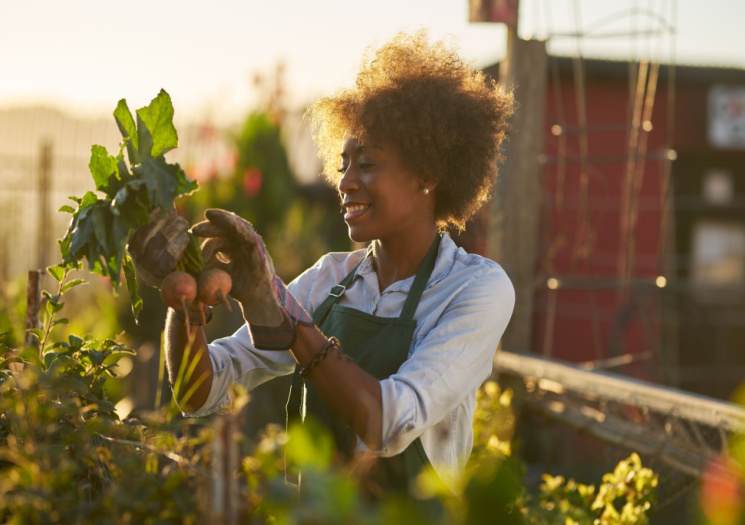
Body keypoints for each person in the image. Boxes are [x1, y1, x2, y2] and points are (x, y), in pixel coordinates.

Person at [128, 30, 515, 503]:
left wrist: (291, 325)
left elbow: (388, 423)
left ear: (429, 174)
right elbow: (198, 391)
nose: (345, 182)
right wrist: (182, 297)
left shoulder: (474, 289)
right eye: (343, 164)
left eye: (367, 164)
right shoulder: (330, 279)